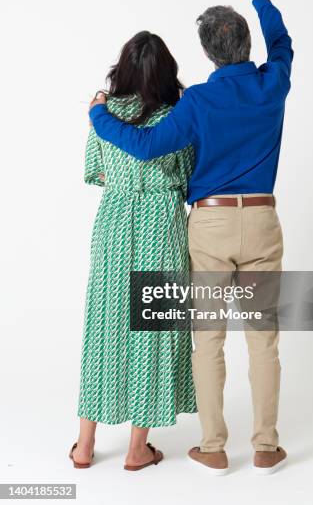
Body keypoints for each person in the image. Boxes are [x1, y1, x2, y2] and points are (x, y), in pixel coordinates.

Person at [88, 0, 294, 475]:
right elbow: (284, 45)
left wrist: (96, 113)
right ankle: (267, 445)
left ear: (206, 53)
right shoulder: (274, 84)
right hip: (264, 221)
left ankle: (214, 445)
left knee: (208, 338)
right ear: (247, 47)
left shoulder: (198, 101)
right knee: (263, 336)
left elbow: (147, 143)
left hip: (210, 225)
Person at [70, 32, 197, 471]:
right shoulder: (176, 118)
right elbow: (187, 178)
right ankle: (137, 448)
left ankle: (84, 445)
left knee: (103, 329)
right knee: (153, 330)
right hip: (161, 227)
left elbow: (97, 173)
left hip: (114, 225)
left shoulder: (101, 114)